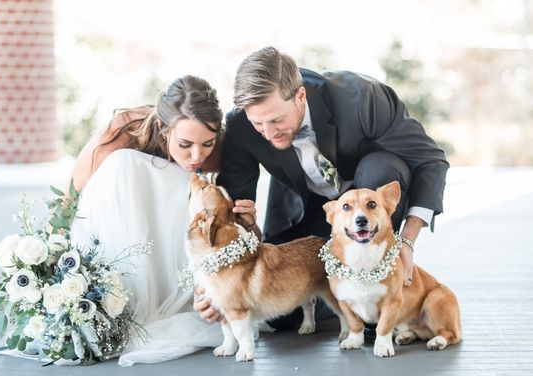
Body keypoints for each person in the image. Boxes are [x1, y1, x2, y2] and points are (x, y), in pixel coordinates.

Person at [195, 47, 449, 333]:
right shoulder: (241, 126)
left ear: (300, 96)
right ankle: (343, 295)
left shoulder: (362, 98)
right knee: (279, 312)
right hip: (305, 208)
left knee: (380, 167)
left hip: (367, 199)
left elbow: (430, 160)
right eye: (259, 124)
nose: (269, 133)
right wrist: (214, 283)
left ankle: (372, 304)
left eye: (277, 120)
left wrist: (408, 239)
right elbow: (233, 215)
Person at [70, 75, 256, 365]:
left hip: (176, 254)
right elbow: (75, 193)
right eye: (185, 144)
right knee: (124, 164)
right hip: (117, 241)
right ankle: (122, 300)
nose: (197, 156)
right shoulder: (125, 131)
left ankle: (183, 293)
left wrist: (209, 291)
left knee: (194, 185)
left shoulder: (221, 152)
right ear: (162, 128)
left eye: (207, 143)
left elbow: (228, 230)